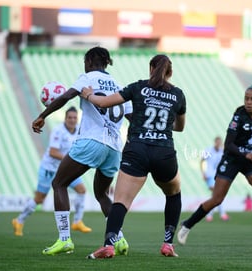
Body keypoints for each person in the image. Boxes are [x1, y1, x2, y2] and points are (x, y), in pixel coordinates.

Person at [80, 54, 186, 259]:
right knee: (174, 193)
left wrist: (88, 95)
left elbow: (103, 103)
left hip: (136, 150)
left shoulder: (138, 87)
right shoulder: (178, 94)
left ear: (151, 68)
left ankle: (108, 246)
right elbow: (180, 127)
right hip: (164, 152)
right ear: (170, 72)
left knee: (120, 201)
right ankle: (167, 244)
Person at [31, 46, 132, 255]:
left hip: (91, 141)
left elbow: (66, 96)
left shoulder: (87, 78)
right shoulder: (119, 86)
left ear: (89, 61)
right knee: (102, 194)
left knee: (59, 183)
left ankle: (65, 239)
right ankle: (119, 239)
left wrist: (43, 115)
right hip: (114, 148)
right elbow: (132, 117)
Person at [177, 84, 252, 246]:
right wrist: (245, 154)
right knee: (217, 199)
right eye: (246, 98)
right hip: (232, 160)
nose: (248, 102)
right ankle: (187, 225)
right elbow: (228, 144)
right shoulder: (239, 115)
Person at [12, 107, 92, 236]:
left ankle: (77, 221)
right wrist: (71, 159)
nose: (72, 120)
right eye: (70, 117)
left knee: (81, 190)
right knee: (39, 199)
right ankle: (19, 220)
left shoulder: (79, 131)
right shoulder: (58, 131)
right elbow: (53, 152)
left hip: (65, 169)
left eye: (74, 118)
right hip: (50, 168)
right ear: (65, 119)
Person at [200, 136, 228, 222]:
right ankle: (220, 214)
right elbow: (201, 161)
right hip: (209, 175)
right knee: (216, 194)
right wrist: (203, 173)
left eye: (220, 142)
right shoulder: (208, 150)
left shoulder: (222, 152)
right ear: (215, 142)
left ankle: (210, 215)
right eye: (217, 142)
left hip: (219, 176)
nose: (218, 144)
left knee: (216, 195)